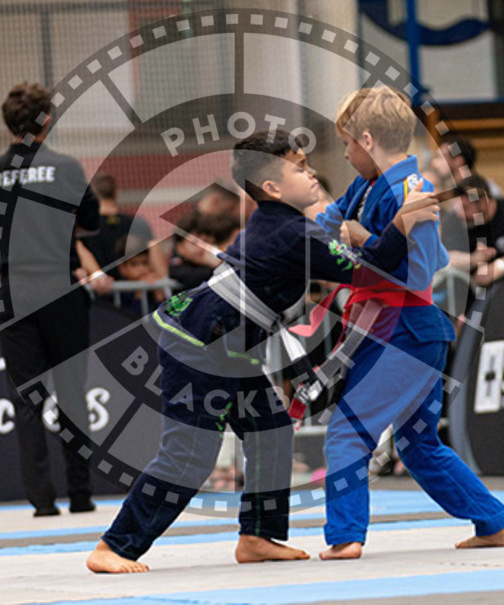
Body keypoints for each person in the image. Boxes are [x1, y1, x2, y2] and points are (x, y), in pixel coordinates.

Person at [86, 130, 439, 573]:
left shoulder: (283, 223)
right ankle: (115, 547)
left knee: (271, 429)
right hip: (199, 344)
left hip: (227, 346)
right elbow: (378, 267)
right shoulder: (293, 234)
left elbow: (334, 229)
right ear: (271, 188)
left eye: (308, 164)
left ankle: (258, 535)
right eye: (299, 168)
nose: (311, 173)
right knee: (189, 456)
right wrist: (402, 221)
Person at [314, 86, 504, 561]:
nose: (344, 154)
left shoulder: (414, 192)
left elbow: (424, 271)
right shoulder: (366, 186)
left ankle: (345, 536)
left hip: (405, 329)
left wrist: (363, 238)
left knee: (347, 431)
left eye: (347, 143)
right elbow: (324, 224)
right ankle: (494, 523)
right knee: (417, 442)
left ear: (368, 139)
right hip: (391, 328)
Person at [0, 82, 100, 517]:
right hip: (59, 286)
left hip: (12, 290)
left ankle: (42, 502)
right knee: (71, 393)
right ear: (47, 121)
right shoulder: (65, 167)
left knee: (27, 398)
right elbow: (92, 218)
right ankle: (82, 496)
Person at [87, 173, 167, 277]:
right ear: (116, 194)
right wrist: (163, 283)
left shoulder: (84, 228)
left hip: (100, 289)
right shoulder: (138, 224)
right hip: (133, 289)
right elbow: (155, 255)